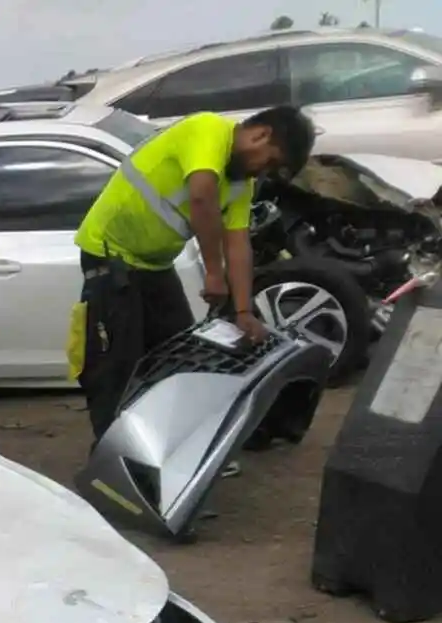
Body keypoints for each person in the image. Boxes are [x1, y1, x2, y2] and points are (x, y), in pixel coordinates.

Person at [73, 105, 317, 439]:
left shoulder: (240, 185)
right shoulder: (208, 130)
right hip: (109, 255)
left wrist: (243, 311)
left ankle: (178, 449)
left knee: (181, 358)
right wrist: (214, 275)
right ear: (260, 135)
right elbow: (201, 196)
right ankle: (110, 462)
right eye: (271, 162)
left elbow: (238, 245)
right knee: (116, 367)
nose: (265, 174)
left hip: (154, 265)